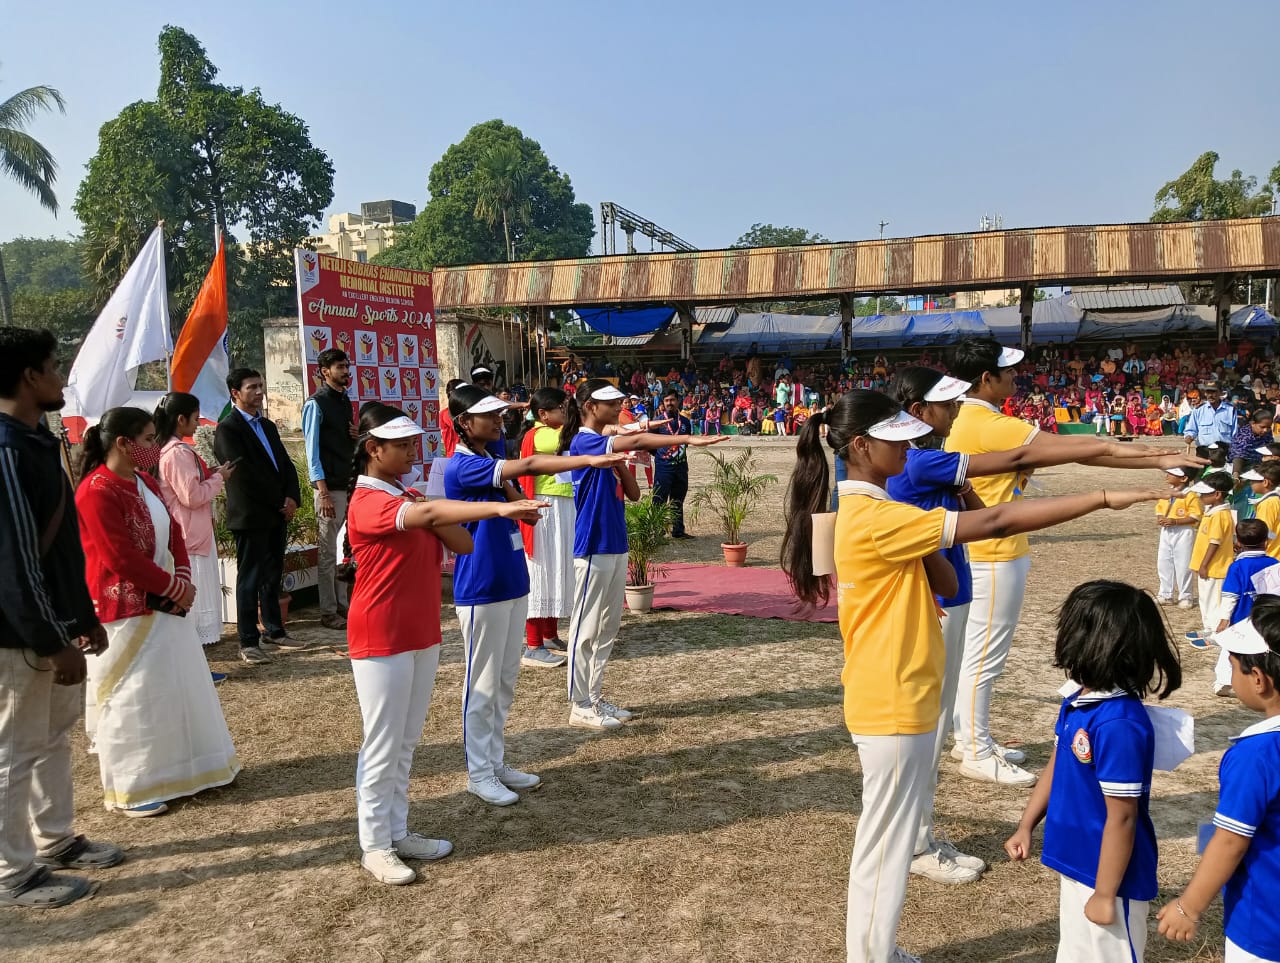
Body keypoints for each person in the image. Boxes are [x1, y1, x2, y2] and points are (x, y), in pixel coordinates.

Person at [779, 389, 1163, 963]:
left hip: (894, 690)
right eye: (897, 439)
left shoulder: (880, 510)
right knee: (886, 844)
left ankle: (875, 949)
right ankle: (872, 956)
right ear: (860, 446)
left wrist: (928, 528)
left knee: (884, 837)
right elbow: (1001, 517)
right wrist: (1101, 496)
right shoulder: (877, 516)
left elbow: (951, 586)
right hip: (893, 695)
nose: (913, 447)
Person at [887, 366, 1177, 883]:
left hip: (949, 596)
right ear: (917, 413)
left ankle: (920, 832)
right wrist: (1113, 489)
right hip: (934, 603)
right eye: (946, 404)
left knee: (934, 721)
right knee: (927, 726)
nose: (956, 411)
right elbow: (1016, 471)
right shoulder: (921, 462)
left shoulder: (931, 464)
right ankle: (916, 840)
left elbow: (979, 508)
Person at [945, 337, 1200, 786]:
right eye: (1008, 372)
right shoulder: (990, 424)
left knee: (975, 656)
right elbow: (1089, 449)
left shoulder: (974, 418)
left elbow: (1089, 450)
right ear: (986, 379)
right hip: (994, 552)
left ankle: (970, 738)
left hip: (987, 549)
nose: (1015, 377)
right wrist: (1162, 457)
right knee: (983, 659)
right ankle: (974, 750)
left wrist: (1156, 456)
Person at [343, 404, 543, 885]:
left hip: (419, 631)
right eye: (403, 445)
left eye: (414, 442)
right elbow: (434, 514)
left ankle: (398, 830)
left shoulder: (404, 497)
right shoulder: (369, 502)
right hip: (381, 634)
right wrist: (498, 505)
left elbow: (462, 542)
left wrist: (431, 514)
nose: (414, 451)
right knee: (383, 743)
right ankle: (375, 844)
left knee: (406, 742)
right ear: (374, 450)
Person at [444, 384, 624, 804]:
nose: (498, 419)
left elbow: (519, 490)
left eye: (499, 413)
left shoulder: (487, 458)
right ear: (464, 423)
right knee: (482, 685)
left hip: (510, 580)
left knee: (504, 682)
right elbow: (528, 463)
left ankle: (496, 762)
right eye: (487, 415)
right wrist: (589, 458)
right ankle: (478, 772)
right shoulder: (462, 465)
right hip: (482, 586)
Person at [0, 327, 122, 909]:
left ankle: (56, 838)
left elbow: (62, 549)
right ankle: (12, 870)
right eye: (53, 366)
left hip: (54, 624)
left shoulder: (34, 440)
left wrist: (82, 617)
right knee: (13, 753)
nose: (60, 376)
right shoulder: (4, 451)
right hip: (20, 636)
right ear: (29, 377)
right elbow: (16, 561)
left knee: (50, 739)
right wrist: (51, 638)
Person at [75, 406, 240, 817]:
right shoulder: (96, 490)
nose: (155, 447)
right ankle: (133, 785)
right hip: (124, 608)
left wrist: (181, 578)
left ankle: (190, 769)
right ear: (122, 444)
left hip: (167, 604)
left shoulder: (144, 480)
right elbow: (119, 556)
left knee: (176, 688)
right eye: (148, 440)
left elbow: (175, 534)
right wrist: (172, 587)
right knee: (133, 697)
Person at [1005, 581, 1181, 963]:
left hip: (1111, 880)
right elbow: (1057, 764)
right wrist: (1026, 824)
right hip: (1076, 860)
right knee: (1074, 952)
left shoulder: (1119, 723)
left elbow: (1123, 817)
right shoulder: (1078, 699)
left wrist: (1105, 893)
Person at [560, 380, 726, 730]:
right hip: (593, 546)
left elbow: (635, 494)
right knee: (585, 627)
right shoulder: (585, 440)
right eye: (612, 403)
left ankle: (594, 696)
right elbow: (636, 439)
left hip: (615, 543)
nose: (619, 407)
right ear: (591, 406)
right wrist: (685, 439)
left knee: (607, 626)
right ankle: (579, 703)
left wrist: (620, 464)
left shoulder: (606, 448)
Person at [1157, 600, 1280, 962]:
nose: (1230, 675)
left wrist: (1189, 905)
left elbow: (1230, 840)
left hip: (1265, 924)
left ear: (1258, 679)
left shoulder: (1256, 755)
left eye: (1233, 667)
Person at [214, 368, 305, 665]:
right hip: (252, 515)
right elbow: (243, 476)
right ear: (235, 393)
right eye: (252, 387)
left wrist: (292, 496)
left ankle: (275, 630)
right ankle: (248, 639)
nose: (259, 391)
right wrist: (279, 500)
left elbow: (285, 464)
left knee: (271, 573)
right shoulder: (228, 429)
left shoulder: (267, 426)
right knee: (249, 578)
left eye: (260, 385)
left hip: (277, 512)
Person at [154, 392, 236, 679]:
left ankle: (195, 668)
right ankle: (194, 669)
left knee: (194, 601)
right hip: (190, 535)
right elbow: (192, 495)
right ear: (181, 419)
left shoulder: (170, 450)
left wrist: (210, 475)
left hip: (189, 532)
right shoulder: (177, 452)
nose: (198, 422)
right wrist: (219, 479)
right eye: (195, 416)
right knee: (194, 602)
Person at [517, 388, 575, 665]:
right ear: (543, 414)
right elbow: (574, 441)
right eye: (561, 408)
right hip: (545, 506)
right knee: (541, 571)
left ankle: (550, 635)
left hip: (561, 506)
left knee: (556, 569)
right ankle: (533, 645)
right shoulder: (541, 435)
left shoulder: (554, 432)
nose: (566, 413)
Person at [302, 348, 357, 630]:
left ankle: (343, 605)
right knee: (327, 553)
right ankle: (327, 610)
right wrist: (322, 492)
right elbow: (312, 454)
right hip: (329, 490)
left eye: (347, 366)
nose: (346, 371)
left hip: (346, 485)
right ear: (325, 372)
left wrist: (356, 436)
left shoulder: (344, 400)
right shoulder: (316, 404)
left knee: (345, 549)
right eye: (340, 367)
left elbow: (344, 442)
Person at [1212, 519, 1278, 700]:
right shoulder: (1274, 563)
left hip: (1241, 617)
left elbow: (1230, 595)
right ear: (1266, 541)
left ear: (1238, 542)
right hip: (1265, 618)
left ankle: (1223, 681)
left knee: (1230, 648)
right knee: (1265, 649)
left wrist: (1224, 619)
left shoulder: (1237, 567)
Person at [1189, 472, 1236, 658]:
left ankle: (1218, 635)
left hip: (1215, 568)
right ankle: (1208, 627)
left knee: (1216, 603)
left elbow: (1214, 542)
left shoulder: (1220, 515)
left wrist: (1205, 564)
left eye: (1204, 494)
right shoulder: (1211, 513)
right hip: (1206, 567)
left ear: (1217, 494)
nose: (1201, 497)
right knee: (1205, 599)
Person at [1154, 468, 1201, 609]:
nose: (1168, 476)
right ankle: (1165, 593)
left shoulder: (1191, 495)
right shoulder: (1167, 493)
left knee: (1183, 563)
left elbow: (1195, 516)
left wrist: (1175, 521)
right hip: (1167, 531)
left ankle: (1186, 596)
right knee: (1164, 561)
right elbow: (1159, 508)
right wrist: (1160, 518)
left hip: (1183, 531)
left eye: (1173, 474)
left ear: (1184, 478)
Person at [652, 388, 695, 540]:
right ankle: (657, 532)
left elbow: (687, 441)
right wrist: (661, 456)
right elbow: (651, 444)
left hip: (681, 466)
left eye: (672, 400)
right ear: (663, 403)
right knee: (659, 500)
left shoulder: (685, 421)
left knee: (678, 499)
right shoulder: (657, 422)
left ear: (678, 401)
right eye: (667, 401)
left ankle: (678, 531)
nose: (669, 403)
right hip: (664, 467)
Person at [1184, 382, 1238, 449]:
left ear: (1220, 393)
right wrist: (1189, 436)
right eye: (1208, 392)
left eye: (1213, 392)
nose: (1210, 395)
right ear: (1205, 393)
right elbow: (1191, 430)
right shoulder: (1198, 410)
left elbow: (1235, 434)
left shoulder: (1230, 410)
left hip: (1224, 452)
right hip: (1204, 452)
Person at [1246, 462, 1280, 559]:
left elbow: (1263, 532)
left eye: (1253, 481)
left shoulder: (1267, 503)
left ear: (1265, 482)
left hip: (1272, 555)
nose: (1250, 483)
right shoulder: (1275, 500)